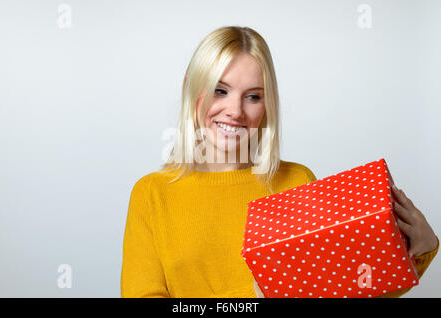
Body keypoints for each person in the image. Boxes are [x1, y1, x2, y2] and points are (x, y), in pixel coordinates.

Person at [121, 26, 438, 298]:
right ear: (193, 90)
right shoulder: (152, 194)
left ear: (267, 105)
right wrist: (257, 294)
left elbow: (341, 288)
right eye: (220, 90)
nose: (235, 110)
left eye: (253, 96)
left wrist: (419, 252)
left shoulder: (296, 181)